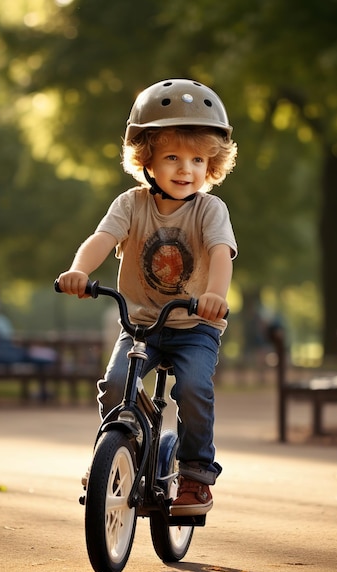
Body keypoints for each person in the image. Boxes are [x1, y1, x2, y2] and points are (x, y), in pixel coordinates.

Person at [56, 78, 238, 516]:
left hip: (195, 325)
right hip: (140, 323)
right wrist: (81, 271)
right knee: (118, 383)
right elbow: (102, 239)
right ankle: (116, 451)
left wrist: (214, 296)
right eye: (172, 156)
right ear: (147, 161)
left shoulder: (210, 210)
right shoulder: (131, 205)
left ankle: (196, 476)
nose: (185, 168)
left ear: (210, 166)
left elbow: (219, 253)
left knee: (194, 388)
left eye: (197, 159)